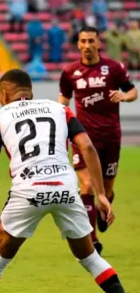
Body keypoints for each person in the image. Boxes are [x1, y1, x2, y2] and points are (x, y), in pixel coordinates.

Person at [0, 69, 140, 293]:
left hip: (28, 191)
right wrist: (99, 194)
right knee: (88, 256)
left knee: (0, 253)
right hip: (66, 188)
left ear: (4, 94)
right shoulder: (59, 109)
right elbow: (87, 147)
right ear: (31, 92)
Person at [58, 26, 138, 254]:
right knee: (89, 185)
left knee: (107, 188)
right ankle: (91, 239)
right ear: (78, 44)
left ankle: (104, 208)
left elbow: (133, 91)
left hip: (110, 137)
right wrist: (58, 116)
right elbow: (63, 99)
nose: (86, 45)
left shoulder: (113, 69)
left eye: (91, 41)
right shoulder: (70, 72)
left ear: (98, 43)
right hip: (83, 138)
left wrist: (124, 96)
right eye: (83, 41)